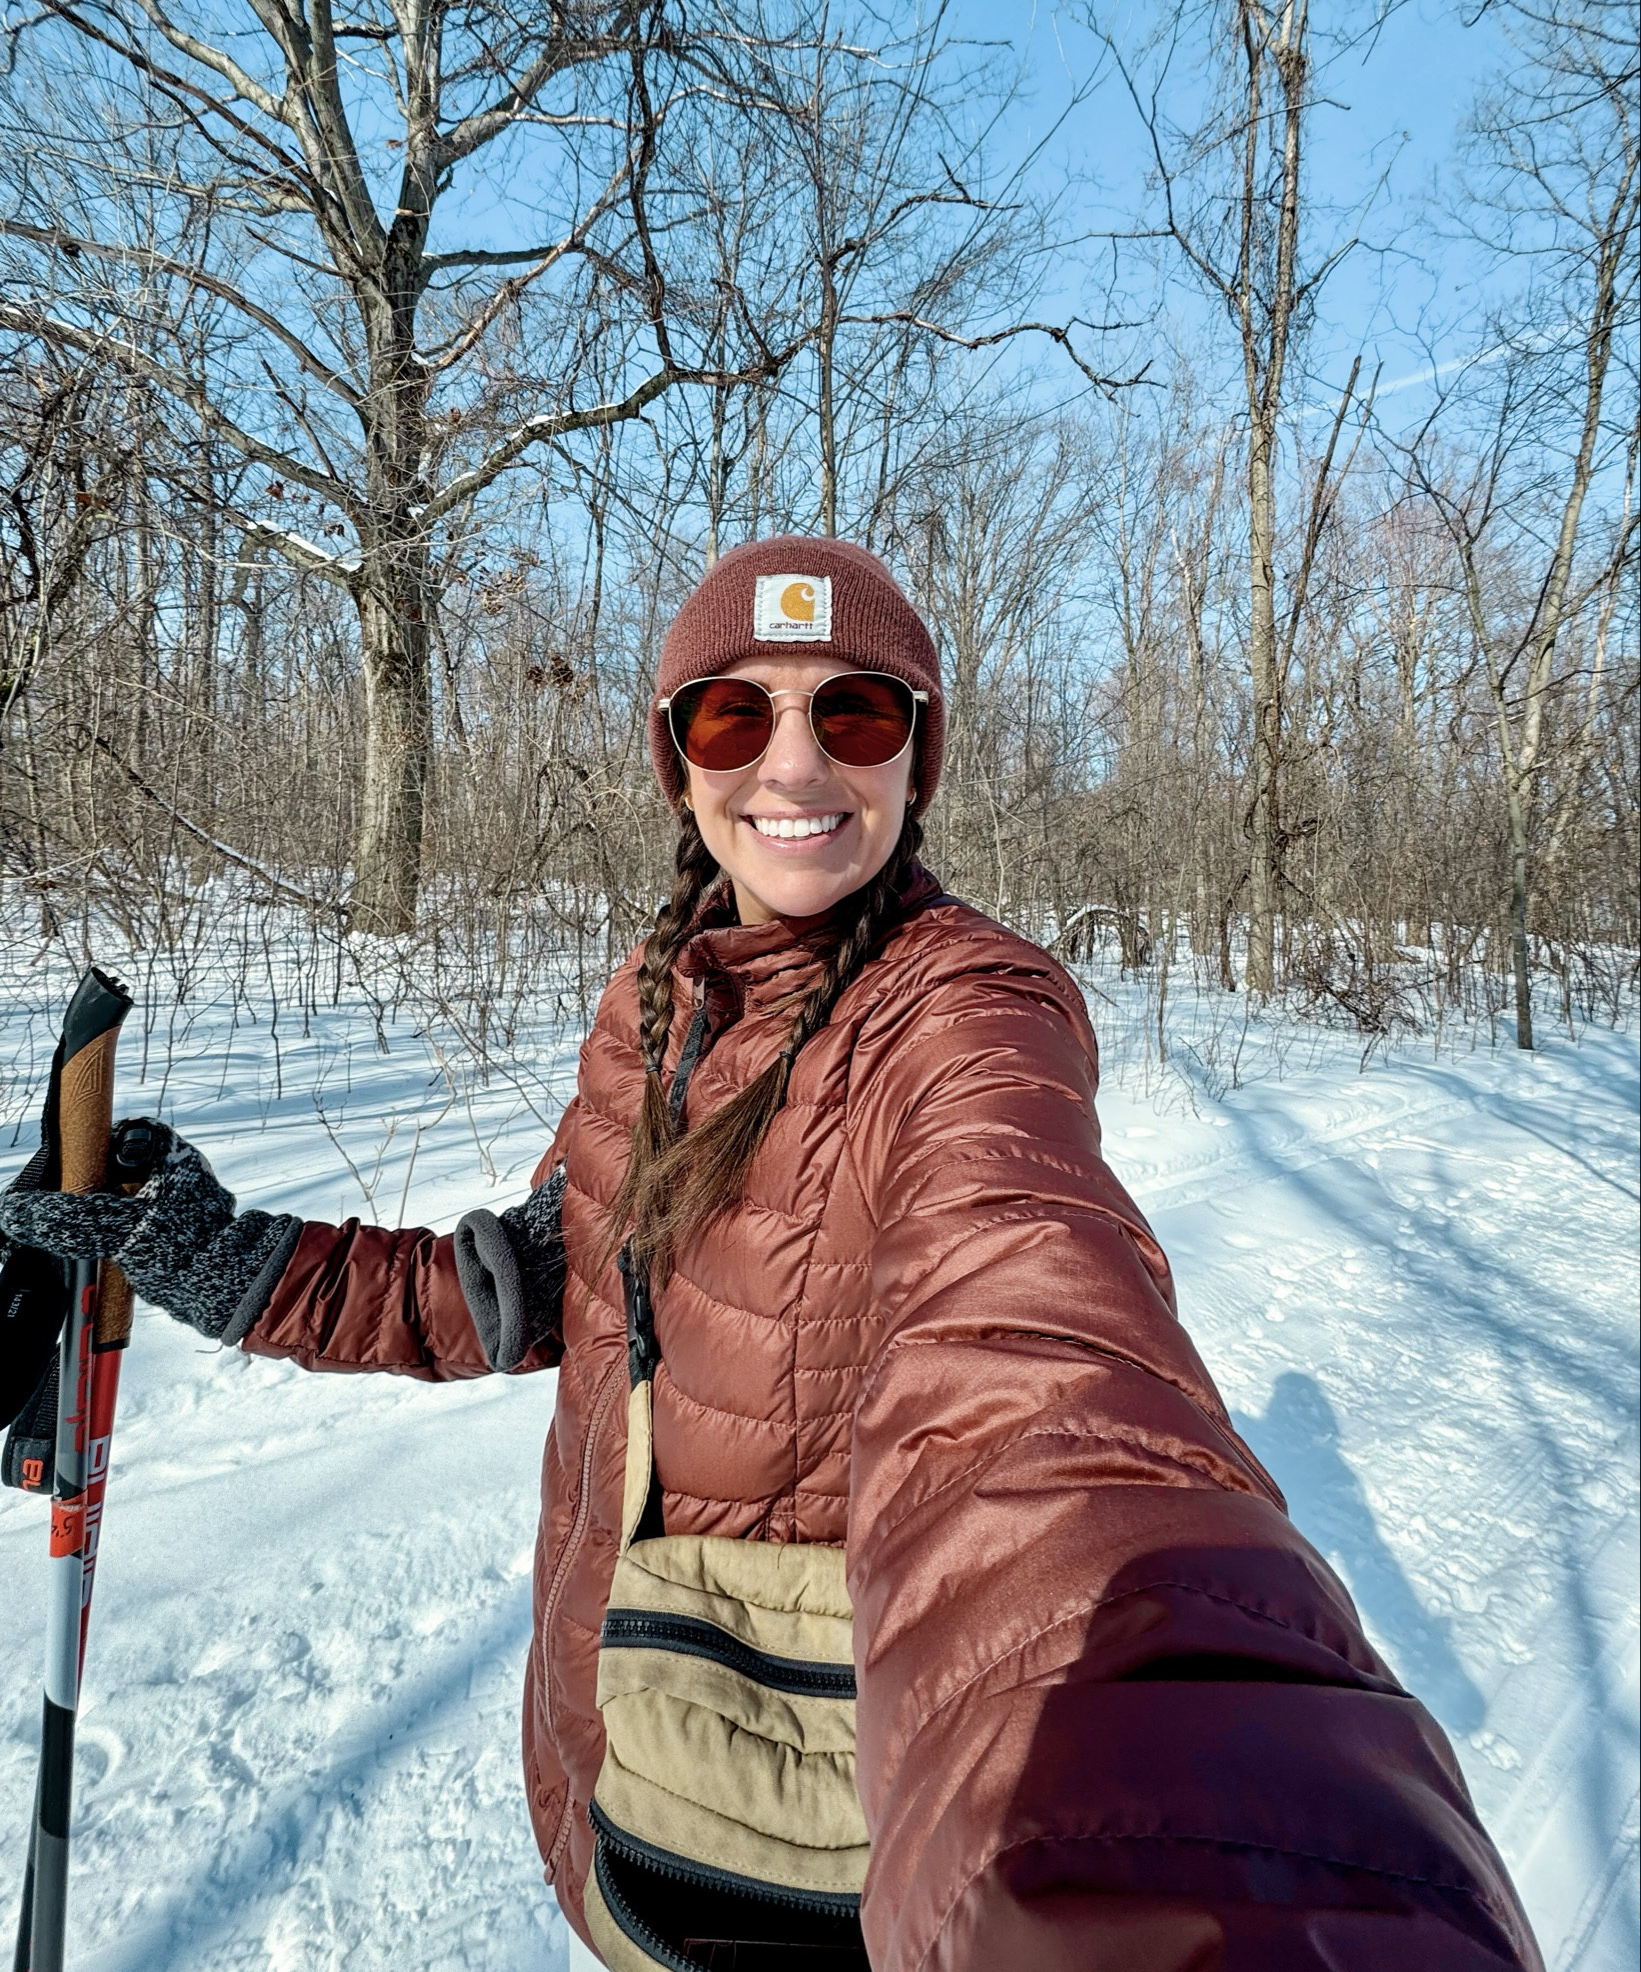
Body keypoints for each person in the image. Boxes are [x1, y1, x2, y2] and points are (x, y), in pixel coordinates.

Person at [2, 537, 1542, 1972]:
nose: (794, 764)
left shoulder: (965, 1017)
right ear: (678, 761)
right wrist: (223, 1255)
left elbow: (1035, 1365)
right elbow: (535, 1287)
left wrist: (1204, 1836)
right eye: (736, 718)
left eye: (854, 712)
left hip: (805, 1854)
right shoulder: (663, 1000)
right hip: (631, 1766)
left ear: (916, 755)